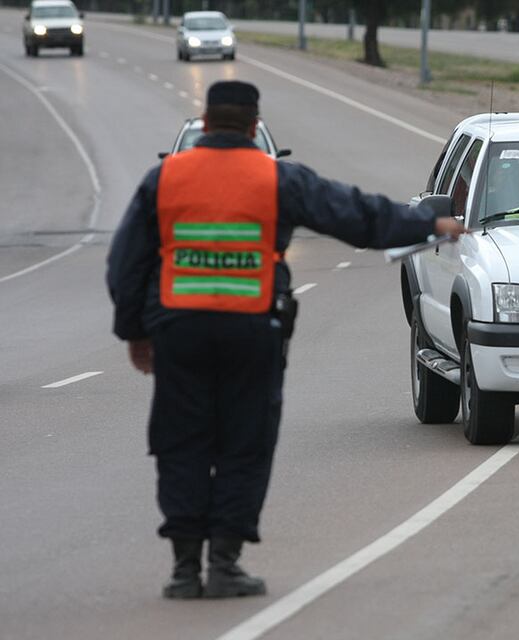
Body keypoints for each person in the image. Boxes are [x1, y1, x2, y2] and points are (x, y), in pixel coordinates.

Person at [106, 80, 465, 600]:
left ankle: (185, 569)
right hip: (251, 331)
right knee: (244, 442)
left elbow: (126, 266)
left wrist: (134, 334)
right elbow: (356, 215)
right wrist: (428, 221)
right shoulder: (275, 178)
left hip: (179, 332)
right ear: (254, 127)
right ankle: (225, 563)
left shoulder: (164, 179)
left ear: (204, 124)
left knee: (181, 440)